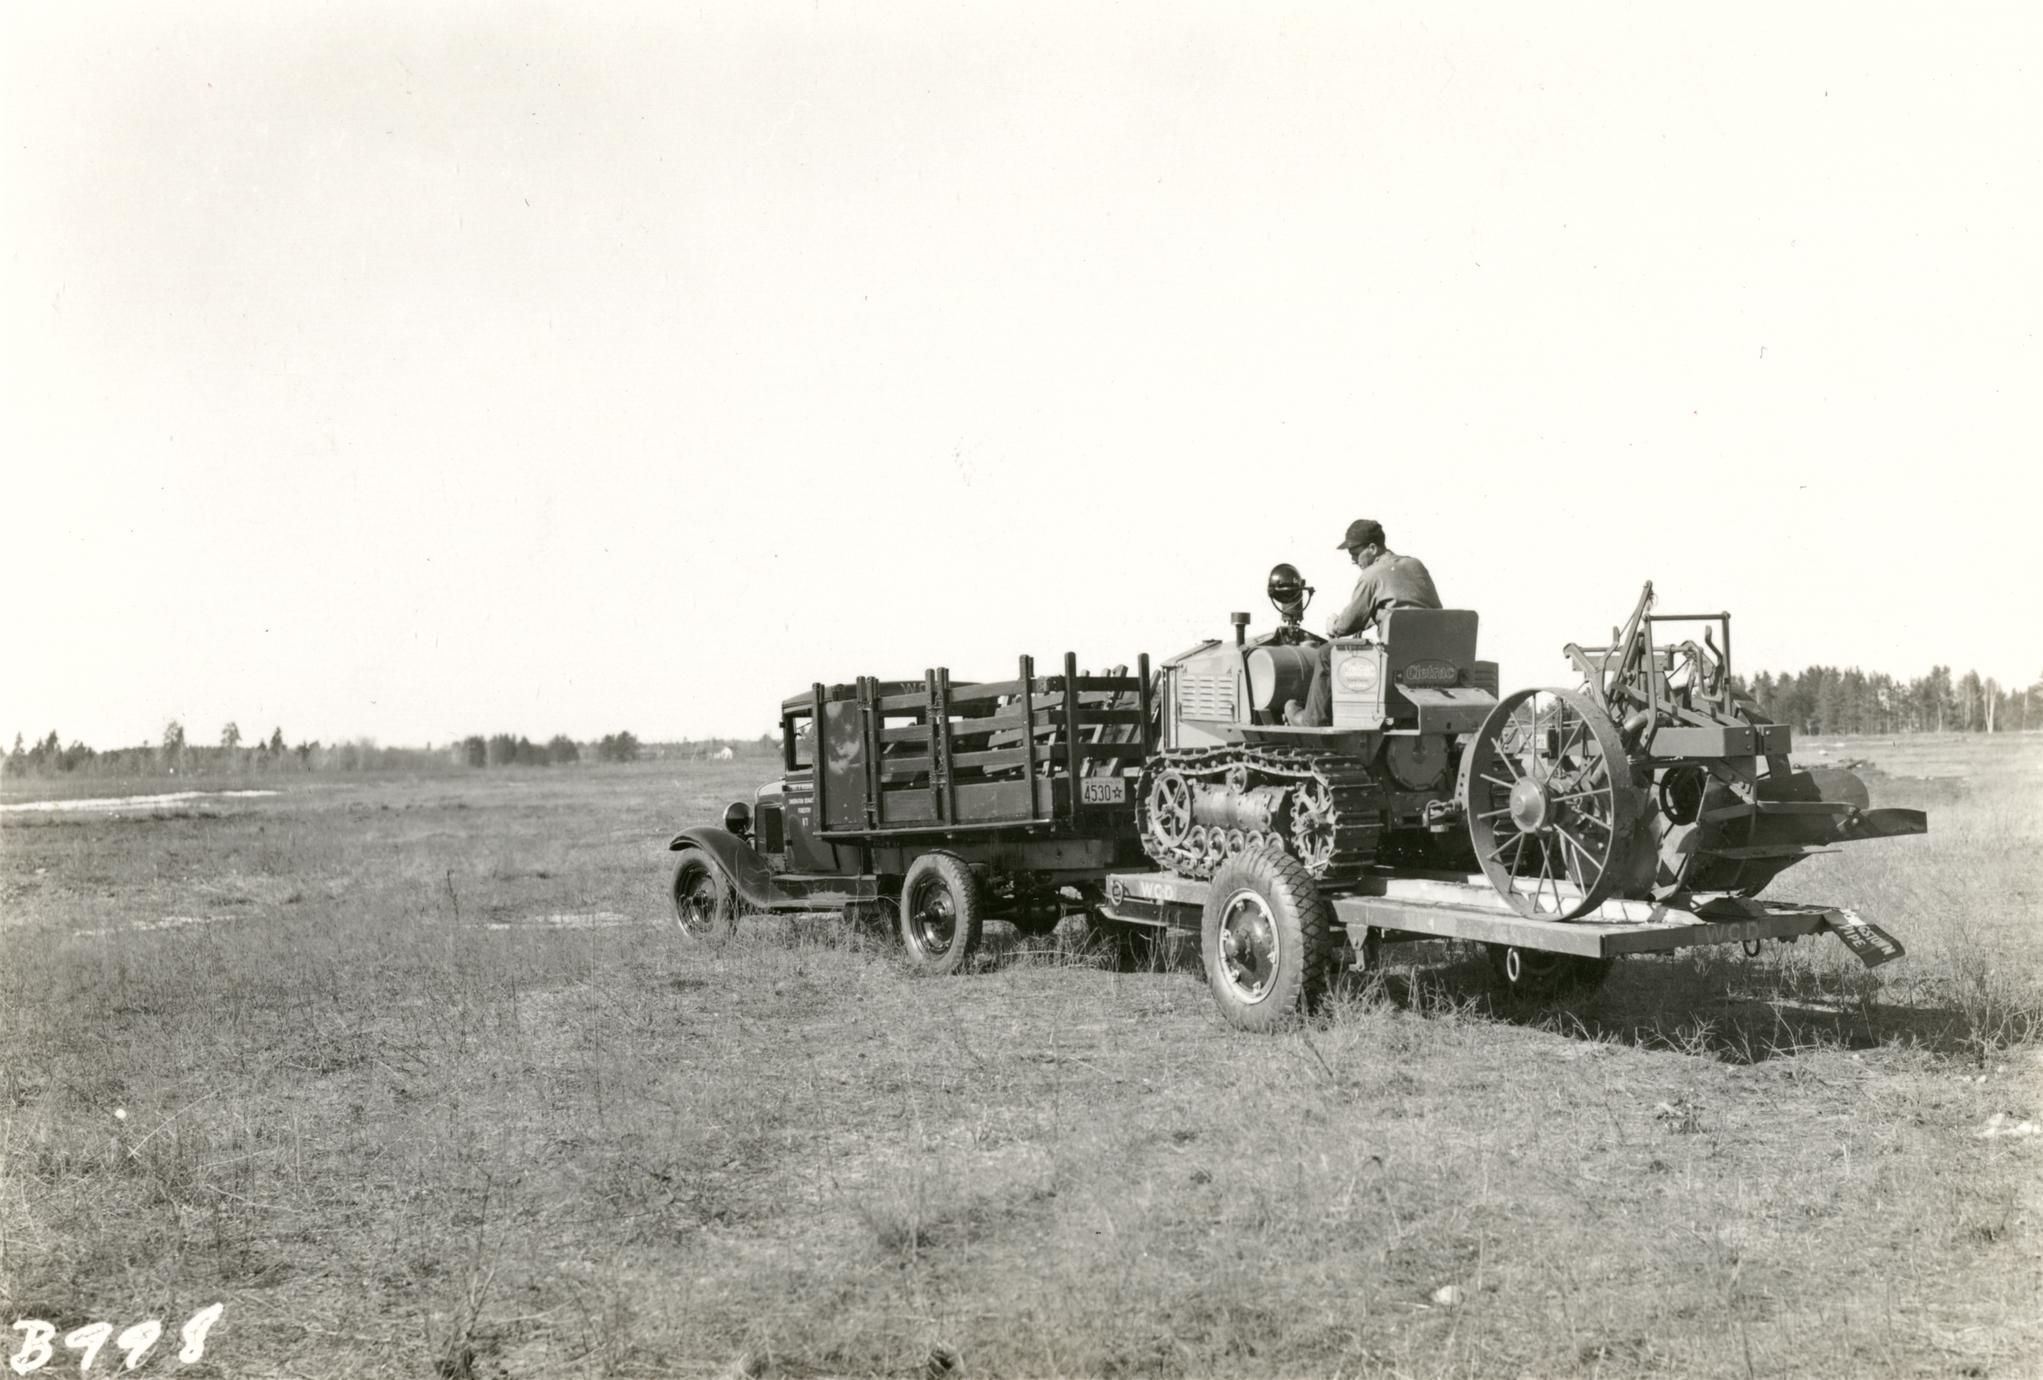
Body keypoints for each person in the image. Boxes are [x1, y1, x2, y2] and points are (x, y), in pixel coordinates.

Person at [1285, 518, 1442, 726]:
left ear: (1372, 548)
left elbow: (1346, 625)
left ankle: (1312, 720)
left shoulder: (1372, 575)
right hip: (1431, 656)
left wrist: (1333, 624)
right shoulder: (1415, 564)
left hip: (1393, 658)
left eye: (1354, 554)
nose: (1353, 561)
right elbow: (1410, 606)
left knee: (1325, 653)